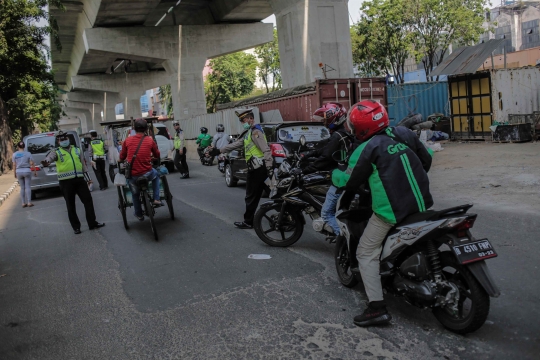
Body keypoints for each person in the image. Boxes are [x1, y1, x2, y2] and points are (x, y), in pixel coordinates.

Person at [332, 100, 433, 327]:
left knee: (366, 252)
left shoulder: (366, 148)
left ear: (361, 128)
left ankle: (376, 308)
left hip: (391, 211)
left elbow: (348, 180)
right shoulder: (404, 133)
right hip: (421, 202)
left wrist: (333, 174)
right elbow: (427, 160)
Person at [301, 102, 353, 239]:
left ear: (333, 118)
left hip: (340, 179)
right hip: (345, 176)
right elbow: (326, 150)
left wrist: (305, 170)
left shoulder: (337, 136)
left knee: (326, 213)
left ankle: (344, 239)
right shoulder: (342, 134)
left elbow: (325, 158)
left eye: (325, 119)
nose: (324, 122)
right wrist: (310, 154)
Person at [214, 109, 273, 229]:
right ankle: (288, 216)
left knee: (251, 196)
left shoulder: (256, 132)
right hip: (257, 169)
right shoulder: (249, 133)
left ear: (251, 119)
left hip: (259, 169)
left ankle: (248, 222)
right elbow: (237, 144)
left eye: (244, 120)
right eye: (241, 120)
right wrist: (219, 150)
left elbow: (266, 150)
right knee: (273, 193)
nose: (242, 122)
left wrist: (269, 167)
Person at [41, 131, 105, 234]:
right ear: (58, 141)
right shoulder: (56, 151)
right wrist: (46, 162)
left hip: (79, 180)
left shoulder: (77, 150)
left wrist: (88, 179)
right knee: (70, 205)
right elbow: (49, 158)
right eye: (62, 140)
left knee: (88, 201)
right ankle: (76, 227)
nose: (64, 141)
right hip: (66, 182)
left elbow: (83, 166)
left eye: (65, 139)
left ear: (69, 139)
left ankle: (92, 223)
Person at [119, 118, 163, 221]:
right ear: (146, 128)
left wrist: (121, 159)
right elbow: (157, 154)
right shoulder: (150, 140)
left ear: (134, 128)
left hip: (133, 176)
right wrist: (154, 157)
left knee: (135, 194)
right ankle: (156, 199)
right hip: (148, 173)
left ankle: (139, 214)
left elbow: (122, 156)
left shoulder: (127, 140)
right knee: (156, 174)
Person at [12, 141, 37, 208]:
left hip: (19, 171)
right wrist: (35, 171)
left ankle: (23, 203)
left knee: (22, 188)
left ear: (18, 147)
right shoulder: (28, 153)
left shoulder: (14, 154)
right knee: (28, 186)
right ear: (24, 147)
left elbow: (14, 164)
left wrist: (14, 173)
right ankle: (29, 202)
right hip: (27, 170)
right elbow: (32, 163)